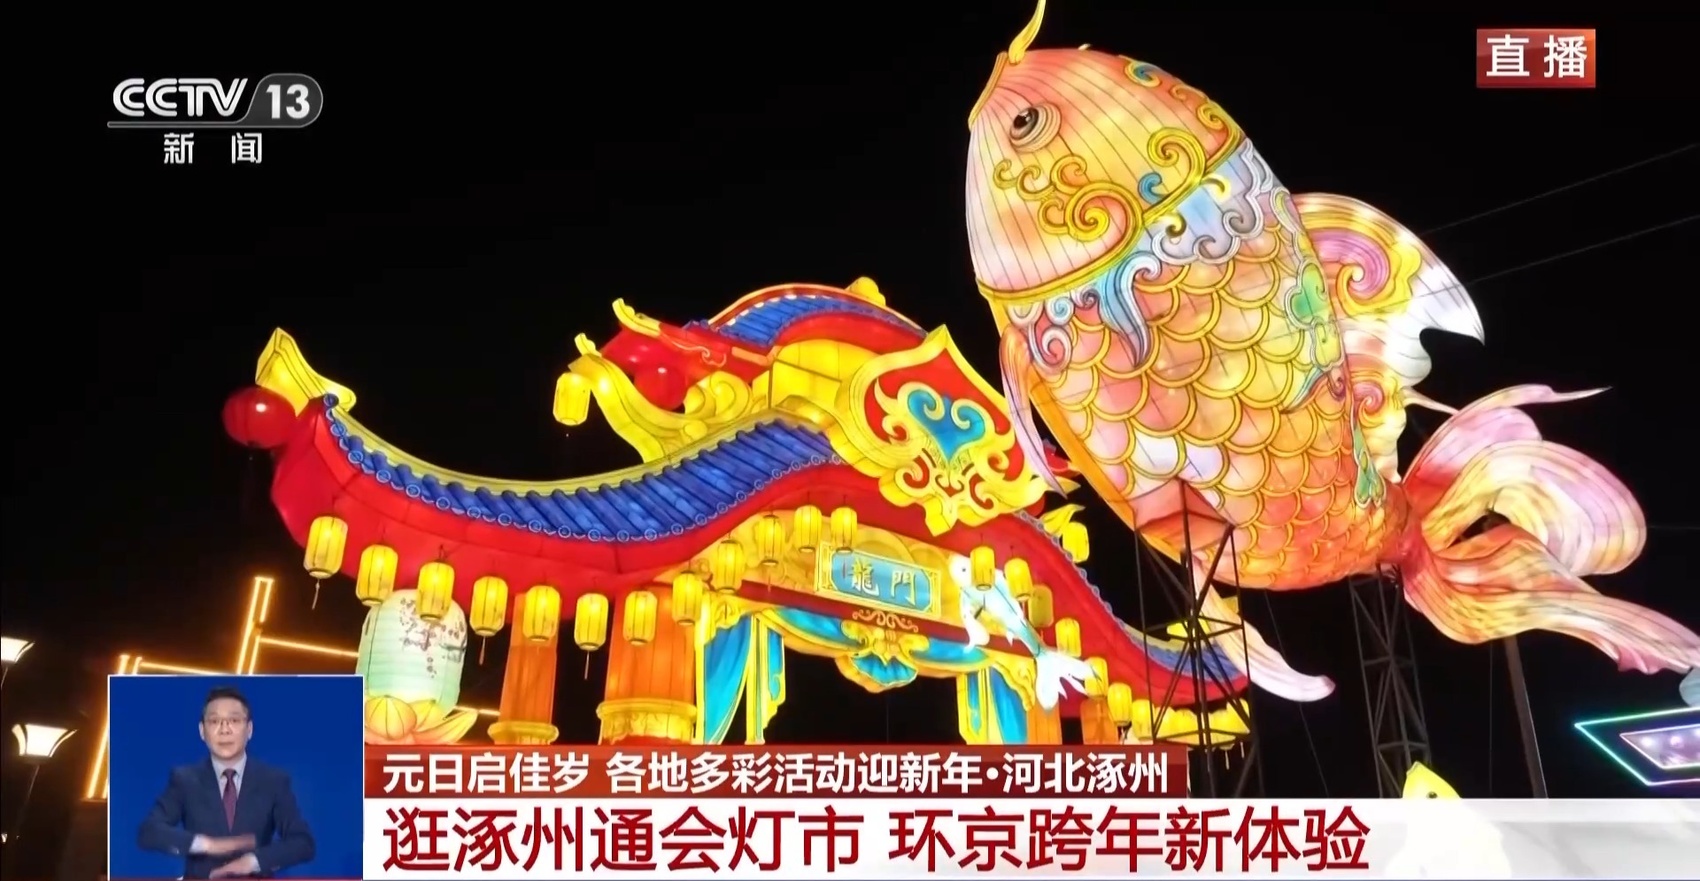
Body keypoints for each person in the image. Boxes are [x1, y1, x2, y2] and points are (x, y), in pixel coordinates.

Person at [137, 685, 316, 879]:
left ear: (249, 729)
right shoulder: (184, 780)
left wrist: (253, 862)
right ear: (202, 731)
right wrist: (206, 844)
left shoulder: (274, 781)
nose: (224, 729)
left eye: (234, 720)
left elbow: (302, 842)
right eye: (214, 721)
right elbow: (149, 831)